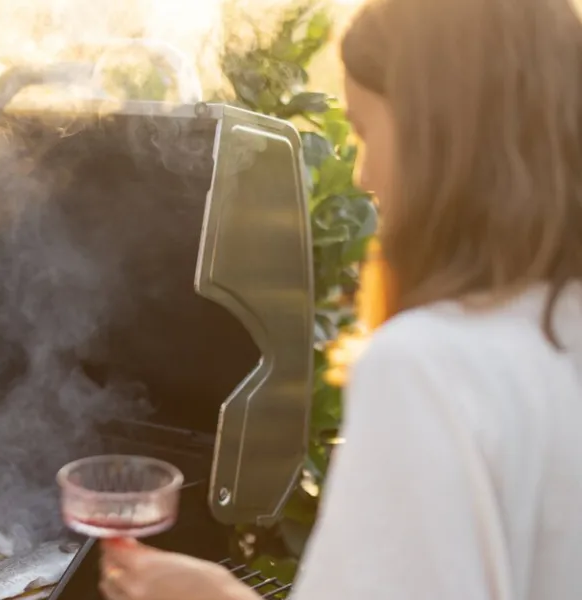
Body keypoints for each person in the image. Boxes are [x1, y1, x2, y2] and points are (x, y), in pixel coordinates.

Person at [98, 0, 582, 598]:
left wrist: (217, 596)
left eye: (366, 130)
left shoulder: (427, 365)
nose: (363, 175)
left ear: (442, 138)